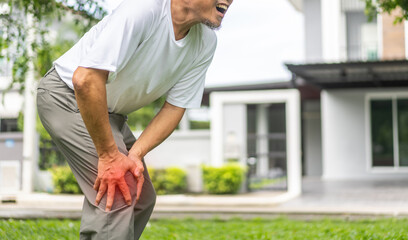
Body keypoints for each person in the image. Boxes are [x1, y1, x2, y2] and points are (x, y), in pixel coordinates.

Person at [36, 0, 232, 239]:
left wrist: (135, 154)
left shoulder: (205, 43)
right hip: (66, 97)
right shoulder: (144, 10)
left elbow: (175, 108)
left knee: (141, 196)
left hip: (111, 113)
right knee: (118, 191)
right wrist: (109, 157)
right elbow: (85, 79)